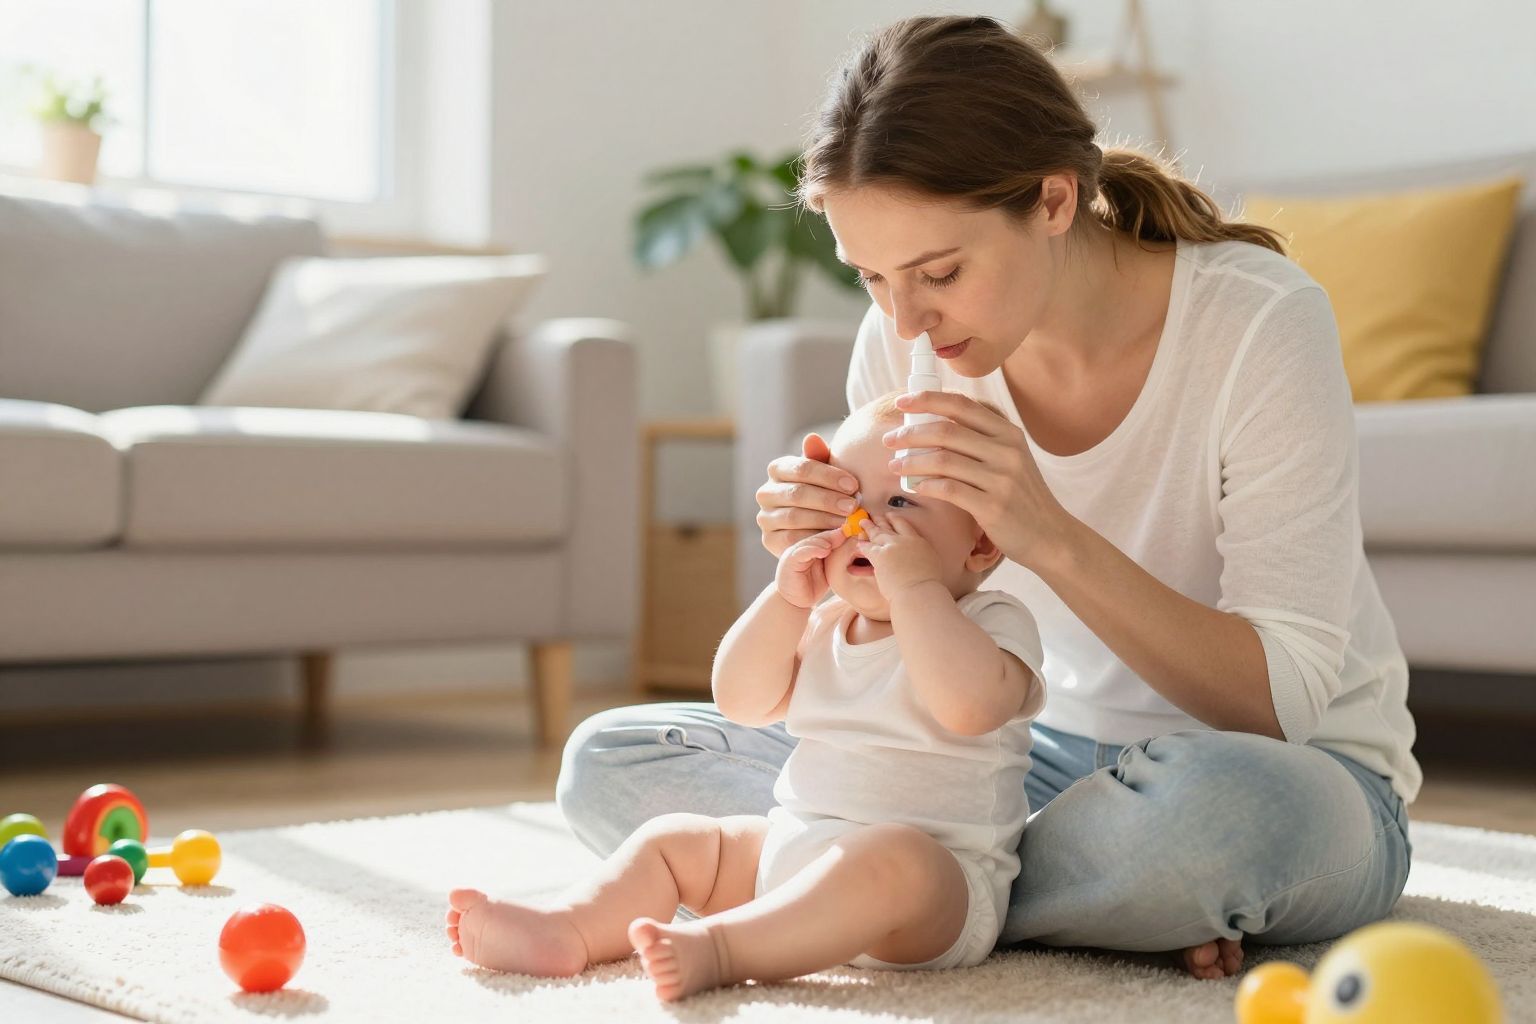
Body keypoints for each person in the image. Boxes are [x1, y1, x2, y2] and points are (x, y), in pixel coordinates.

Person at [558, 14, 1416, 982]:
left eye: (939, 273)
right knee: (612, 759)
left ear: (1053, 200)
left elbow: (1282, 703)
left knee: (1219, 819)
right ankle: (1003, 898)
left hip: (1265, 769)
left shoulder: (1260, 323)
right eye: (872, 278)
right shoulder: (903, 344)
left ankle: (912, 897)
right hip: (993, 763)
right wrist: (827, 565)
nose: (905, 318)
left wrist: (1046, 532)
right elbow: (888, 651)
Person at [446, 395, 1046, 1000]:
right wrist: (785, 602)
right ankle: (567, 930)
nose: (864, 522)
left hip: (934, 894)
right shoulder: (826, 618)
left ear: (981, 544)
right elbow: (741, 702)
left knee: (892, 855)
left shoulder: (992, 620)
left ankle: (725, 949)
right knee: (676, 841)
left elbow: (967, 708)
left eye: (900, 501)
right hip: (793, 853)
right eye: (849, 502)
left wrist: (916, 589)